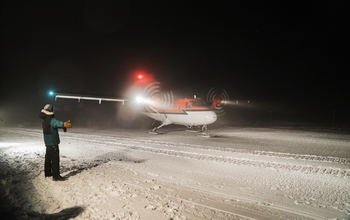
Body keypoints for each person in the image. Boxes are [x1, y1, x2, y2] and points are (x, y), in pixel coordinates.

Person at [39, 104, 72, 181]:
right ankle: (56, 176)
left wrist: (62, 126)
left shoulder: (44, 118)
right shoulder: (51, 119)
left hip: (47, 141)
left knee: (48, 158)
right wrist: (64, 124)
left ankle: (47, 173)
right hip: (53, 142)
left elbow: (54, 125)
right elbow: (56, 123)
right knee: (55, 159)